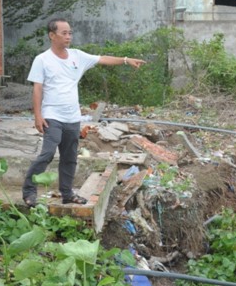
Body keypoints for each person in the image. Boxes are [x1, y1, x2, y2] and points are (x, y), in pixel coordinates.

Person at [22, 18, 146, 207]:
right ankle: (29, 192)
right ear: (52, 35)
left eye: (70, 33)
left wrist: (126, 60)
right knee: (47, 153)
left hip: (72, 117)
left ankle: (67, 194)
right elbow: (37, 89)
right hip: (52, 115)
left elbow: (102, 59)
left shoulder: (77, 56)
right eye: (64, 33)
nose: (68, 36)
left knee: (70, 157)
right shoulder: (42, 60)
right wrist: (37, 115)